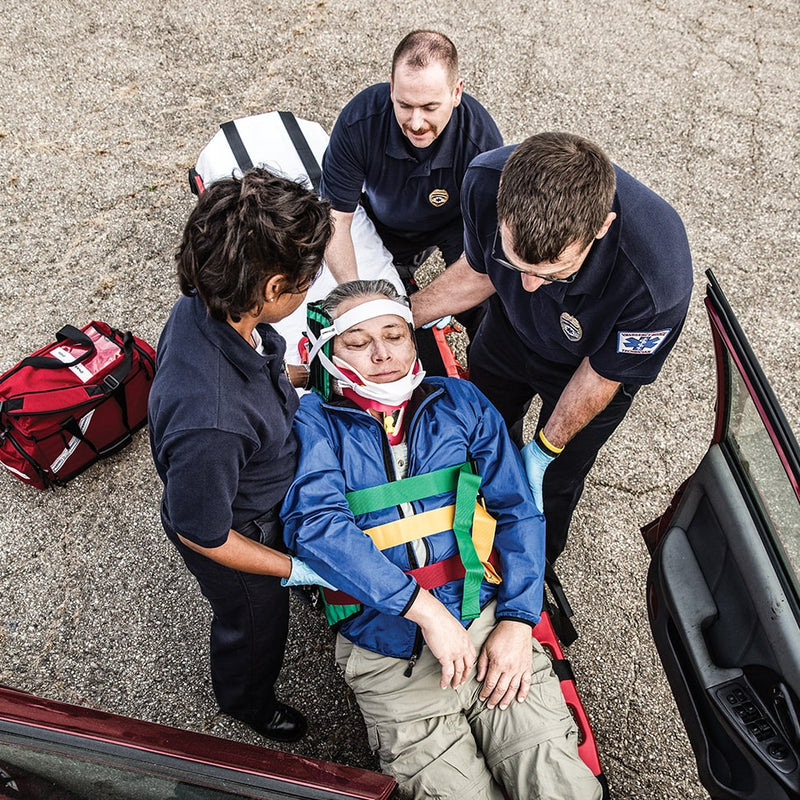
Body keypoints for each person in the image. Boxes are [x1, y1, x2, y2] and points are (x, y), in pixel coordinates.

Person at [281, 280, 601, 800]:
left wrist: (520, 622)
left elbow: (516, 511)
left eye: (395, 335)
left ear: (414, 339)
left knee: (558, 783)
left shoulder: (461, 402)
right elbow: (316, 528)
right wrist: (425, 612)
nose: (382, 354)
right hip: (387, 645)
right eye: (358, 343)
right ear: (324, 351)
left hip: (486, 618)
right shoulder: (310, 422)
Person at [411, 132, 693, 563]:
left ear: (600, 227)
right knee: (480, 433)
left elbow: (603, 374)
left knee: (554, 482)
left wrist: (544, 449)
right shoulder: (485, 182)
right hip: (508, 332)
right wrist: (395, 317)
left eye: (553, 273)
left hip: (587, 370)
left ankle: (534, 569)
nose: (527, 285)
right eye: (516, 263)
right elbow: (477, 272)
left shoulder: (657, 279)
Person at [148, 168, 333, 742]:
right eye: (307, 281)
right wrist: (293, 568)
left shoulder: (205, 303)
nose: (311, 288)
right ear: (273, 289)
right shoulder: (213, 422)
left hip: (259, 493)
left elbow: (260, 373)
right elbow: (202, 532)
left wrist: (307, 375)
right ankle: (247, 700)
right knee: (255, 627)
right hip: (241, 532)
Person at [319, 29, 502, 342]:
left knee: (488, 309)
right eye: (405, 105)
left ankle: (484, 377)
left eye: (430, 107)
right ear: (391, 89)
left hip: (457, 222)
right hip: (384, 216)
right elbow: (336, 220)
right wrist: (355, 299)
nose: (416, 123)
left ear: (456, 93)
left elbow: (489, 260)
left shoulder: (482, 146)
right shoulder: (357, 123)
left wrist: (418, 308)